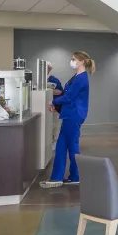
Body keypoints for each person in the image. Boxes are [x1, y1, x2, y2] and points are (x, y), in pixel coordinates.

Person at [40, 51, 94, 188]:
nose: (72, 61)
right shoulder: (76, 76)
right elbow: (67, 94)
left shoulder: (81, 78)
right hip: (69, 114)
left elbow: (69, 96)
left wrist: (53, 102)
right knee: (61, 146)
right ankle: (56, 177)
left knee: (72, 146)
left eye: (74, 59)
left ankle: (76, 176)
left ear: (81, 61)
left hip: (74, 115)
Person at [46, 62, 64, 143]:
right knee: (50, 125)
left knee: (55, 125)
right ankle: (51, 141)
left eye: (47, 68)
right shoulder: (44, 80)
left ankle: (56, 142)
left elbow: (60, 92)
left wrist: (49, 91)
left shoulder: (53, 80)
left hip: (56, 107)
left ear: (49, 69)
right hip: (48, 107)